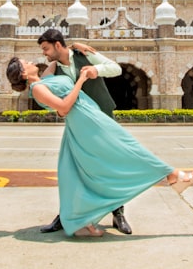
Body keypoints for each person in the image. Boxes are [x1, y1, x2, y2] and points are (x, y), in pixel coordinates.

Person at [6, 56, 193, 237]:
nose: (32, 61)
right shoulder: (38, 89)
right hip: (85, 120)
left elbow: (57, 59)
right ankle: (173, 175)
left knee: (80, 172)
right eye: (26, 62)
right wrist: (80, 80)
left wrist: (71, 48)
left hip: (88, 115)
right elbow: (63, 108)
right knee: (127, 147)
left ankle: (84, 221)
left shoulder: (44, 79)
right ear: (23, 74)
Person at [36, 29, 131, 234]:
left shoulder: (84, 54)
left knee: (109, 167)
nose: (44, 53)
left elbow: (115, 68)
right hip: (78, 123)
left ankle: (118, 214)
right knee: (74, 171)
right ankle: (65, 216)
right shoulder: (54, 69)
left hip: (102, 118)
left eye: (46, 48)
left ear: (57, 44)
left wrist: (96, 71)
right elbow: (41, 85)